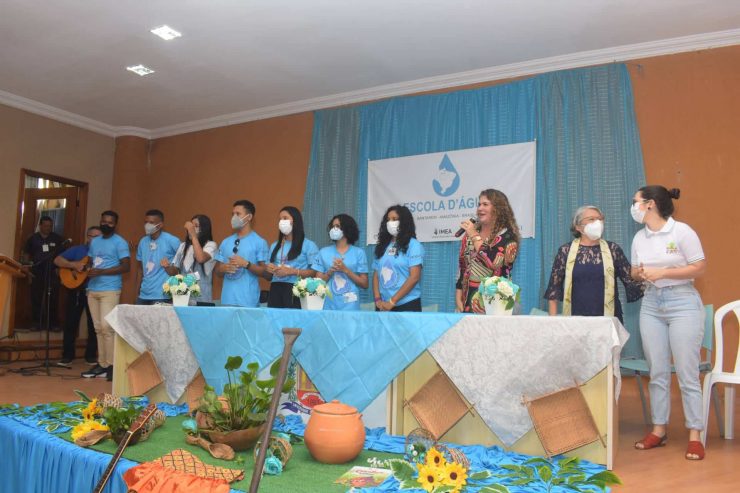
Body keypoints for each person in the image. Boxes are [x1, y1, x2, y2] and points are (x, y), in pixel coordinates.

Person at [629, 186, 707, 461]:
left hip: (682, 302)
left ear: (650, 204)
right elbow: (633, 272)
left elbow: (699, 267)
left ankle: (695, 435)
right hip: (651, 303)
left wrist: (663, 272)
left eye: (636, 202)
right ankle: (658, 430)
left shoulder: (682, 232)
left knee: (687, 372)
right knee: (657, 371)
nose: (633, 207)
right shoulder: (639, 237)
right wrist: (640, 273)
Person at [544, 205, 643, 322]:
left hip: (608, 319)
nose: (598, 223)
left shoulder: (613, 249)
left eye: (600, 219)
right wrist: (553, 323)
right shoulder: (565, 251)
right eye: (591, 219)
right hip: (575, 319)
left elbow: (631, 280)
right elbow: (554, 289)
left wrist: (642, 273)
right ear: (578, 227)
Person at [82, 211, 130, 380]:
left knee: (107, 327)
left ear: (115, 225)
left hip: (110, 289)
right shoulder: (95, 241)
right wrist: (88, 269)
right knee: (98, 328)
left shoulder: (120, 242)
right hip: (93, 289)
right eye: (104, 221)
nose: (106, 224)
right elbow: (90, 261)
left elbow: (126, 267)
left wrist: (102, 272)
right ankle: (102, 364)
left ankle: (111, 365)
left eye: (110, 222)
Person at [455, 189, 519, 313]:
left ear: (498, 209)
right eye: (479, 204)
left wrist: (473, 234)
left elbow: (492, 261)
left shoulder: (507, 236)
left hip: (496, 300)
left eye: (485, 204)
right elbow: (463, 265)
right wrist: (458, 295)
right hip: (468, 298)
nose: (480, 208)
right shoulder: (469, 235)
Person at [53, 226, 101, 367]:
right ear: (87, 237)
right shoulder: (78, 250)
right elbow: (57, 260)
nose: (95, 239)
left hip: (95, 291)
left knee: (94, 324)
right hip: (76, 290)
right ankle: (67, 356)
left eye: (98, 236)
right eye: (92, 236)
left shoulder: (104, 253)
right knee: (71, 323)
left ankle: (90, 356)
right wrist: (73, 265)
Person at [214, 200, 268, 307]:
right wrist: (222, 268)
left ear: (249, 217)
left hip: (248, 302)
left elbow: (266, 272)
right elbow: (217, 271)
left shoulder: (259, 242)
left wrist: (247, 264)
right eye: (233, 214)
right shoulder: (225, 242)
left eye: (238, 214)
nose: (234, 217)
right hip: (227, 300)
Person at [372, 205, 424, 312]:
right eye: (388, 220)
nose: (390, 223)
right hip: (383, 305)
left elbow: (414, 277)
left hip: (407, 304)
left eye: (394, 219)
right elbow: (376, 274)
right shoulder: (382, 246)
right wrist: (377, 299)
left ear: (404, 222)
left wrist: (392, 302)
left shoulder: (414, 245)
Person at [264, 206, 319, 308]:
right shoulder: (274, 245)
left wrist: (292, 271)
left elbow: (314, 273)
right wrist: (269, 269)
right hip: (275, 288)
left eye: (285, 218)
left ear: (295, 220)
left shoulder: (309, 245)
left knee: (294, 318)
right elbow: (268, 276)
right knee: (274, 318)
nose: (281, 221)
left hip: (297, 288)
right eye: (280, 219)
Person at [313, 214, 368, 310]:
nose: (334, 229)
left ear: (347, 228)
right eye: (333, 226)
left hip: (351, 306)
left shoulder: (359, 253)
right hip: (328, 305)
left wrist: (346, 270)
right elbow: (317, 284)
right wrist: (330, 272)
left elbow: (365, 284)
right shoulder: (323, 252)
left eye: (337, 226)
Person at [21, 216, 65, 330]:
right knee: (36, 298)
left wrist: (60, 269)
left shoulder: (57, 238)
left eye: (50, 226)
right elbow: (26, 254)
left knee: (53, 298)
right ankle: (36, 323)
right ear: (40, 226)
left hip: (53, 272)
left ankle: (53, 324)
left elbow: (63, 255)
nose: (48, 228)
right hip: (36, 272)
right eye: (45, 226)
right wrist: (26, 268)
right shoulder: (32, 238)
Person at [163, 215, 218, 303]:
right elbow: (174, 272)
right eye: (191, 226)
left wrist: (193, 236)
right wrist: (167, 267)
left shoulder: (211, 245)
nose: (191, 229)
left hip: (202, 299)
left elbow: (200, 258)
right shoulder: (183, 246)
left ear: (204, 229)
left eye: (195, 226)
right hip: (182, 298)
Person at [135, 209, 180, 305]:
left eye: (151, 222)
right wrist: (137, 292)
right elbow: (140, 269)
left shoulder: (172, 240)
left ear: (160, 225)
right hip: (143, 295)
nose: (147, 225)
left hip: (162, 295)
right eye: (146, 222)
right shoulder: (142, 241)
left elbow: (182, 265)